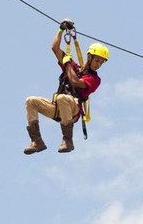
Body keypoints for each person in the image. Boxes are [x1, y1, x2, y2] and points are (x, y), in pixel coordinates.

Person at [24, 20, 108, 155]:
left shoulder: (94, 79)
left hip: (72, 110)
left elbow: (75, 82)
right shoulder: (74, 66)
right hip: (58, 108)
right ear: (89, 57)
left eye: (101, 63)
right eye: (97, 60)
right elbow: (55, 48)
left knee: (63, 98)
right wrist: (60, 30)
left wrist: (67, 63)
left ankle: (67, 140)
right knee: (30, 101)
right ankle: (37, 141)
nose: (98, 64)